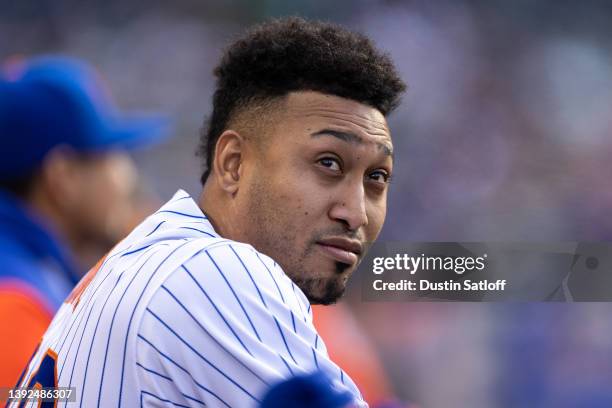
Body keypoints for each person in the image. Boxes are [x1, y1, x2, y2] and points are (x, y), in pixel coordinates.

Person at [10, 17, 405, 407]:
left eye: (376, 176)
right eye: (328, 163)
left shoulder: (146, 261)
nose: (355, 212)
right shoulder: (213, 272)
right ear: (234, 164)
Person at [0, 56, 167, 387]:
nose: (126, 178)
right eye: (111, 157)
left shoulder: (36, 269)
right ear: (62, 177)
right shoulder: (15, 301)